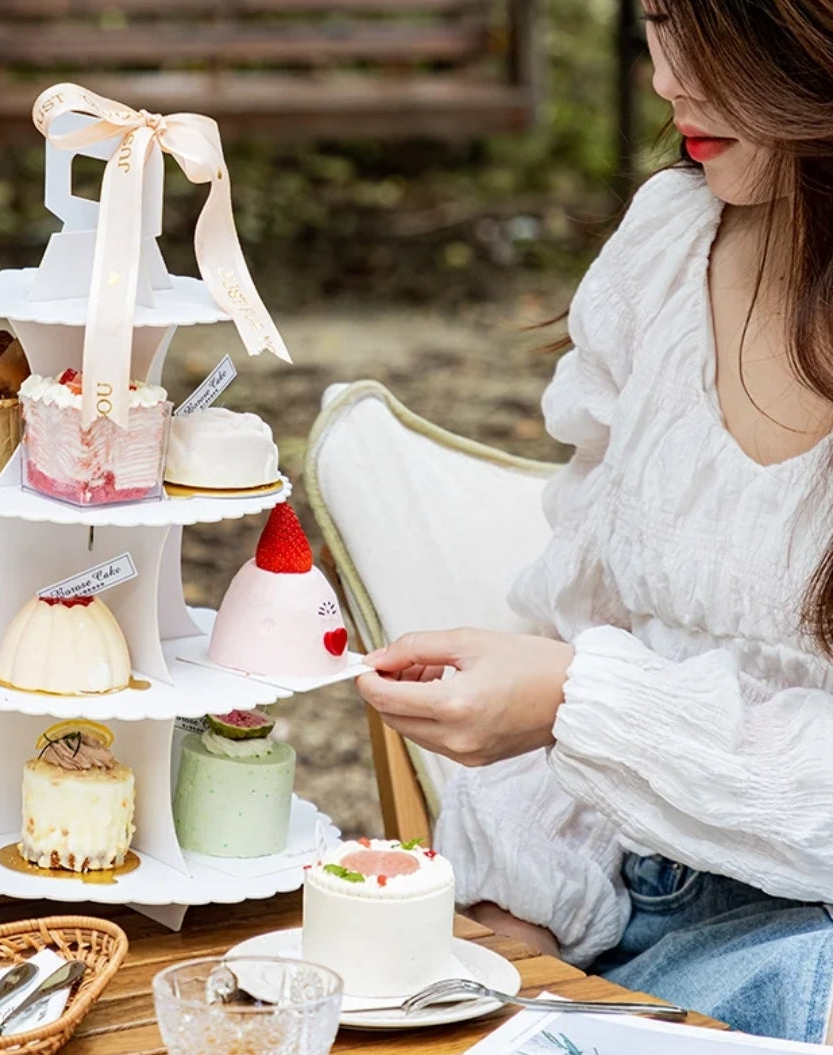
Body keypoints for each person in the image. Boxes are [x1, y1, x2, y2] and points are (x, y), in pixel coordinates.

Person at [355, 0, 833, 1044]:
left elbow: (584, 680)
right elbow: (587, 625)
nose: (670, 81)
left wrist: (581, 701)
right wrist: (510, 911)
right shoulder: (667, 248)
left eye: (713, 39)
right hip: (637, 921)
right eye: (658, 23)